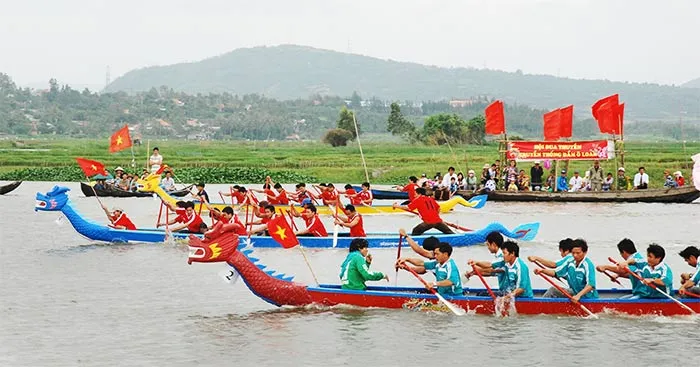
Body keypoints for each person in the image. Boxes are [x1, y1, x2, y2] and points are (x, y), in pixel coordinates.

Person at [398, 242, 463, 297]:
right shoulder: (437, 264)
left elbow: (451, 281)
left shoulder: (451, 266)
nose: (435, 256)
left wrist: (434, 284)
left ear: (445, 254)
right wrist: (407, 260)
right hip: (442, 295)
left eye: (437, 254)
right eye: (434, 254)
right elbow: (421, 263)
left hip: (454, 296)